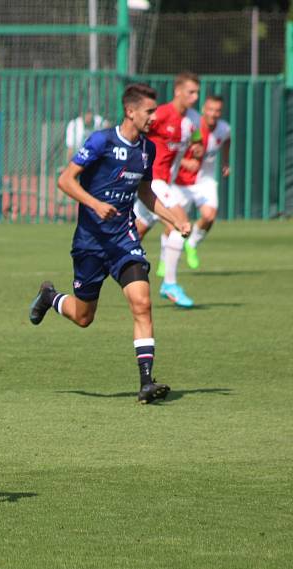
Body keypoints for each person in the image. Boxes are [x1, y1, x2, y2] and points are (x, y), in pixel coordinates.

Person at [28, 83, 191, 404]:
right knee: (84, 317)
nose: (154, 118)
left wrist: (174, 219)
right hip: (89, 243)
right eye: (149, 112)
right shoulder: (101, 141)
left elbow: (145, 194)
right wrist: (94, 204)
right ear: (130, 111)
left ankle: (146, 382)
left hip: (123, 239)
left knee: (142, 302)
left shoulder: (147, 149)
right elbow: (65, 180)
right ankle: (50, 297)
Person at [133, 71, 201, 308]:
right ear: (178, 92)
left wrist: (196, 152)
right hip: (154, 181)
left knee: (133, 234)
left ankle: (96, 269)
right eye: (190, 92)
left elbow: (197, 140)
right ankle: (169, 284)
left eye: (197, 93)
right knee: (180, 223)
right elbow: (137, 131)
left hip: (162, 183)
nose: (194, 97)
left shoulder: (192, 119)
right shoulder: (161, 114)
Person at [174, 95, 231, 269]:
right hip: (182, 180)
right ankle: (165, 264)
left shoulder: (224, 129)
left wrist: (226, 162)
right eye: (210, 109)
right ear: (204, 110)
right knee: (174, 223)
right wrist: (184, 163)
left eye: (218, 110)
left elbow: (227, 141)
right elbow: (174, 151)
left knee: (209, 215)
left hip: (205, 180)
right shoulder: (193, 126)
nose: (214, 114)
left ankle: (191, 244)